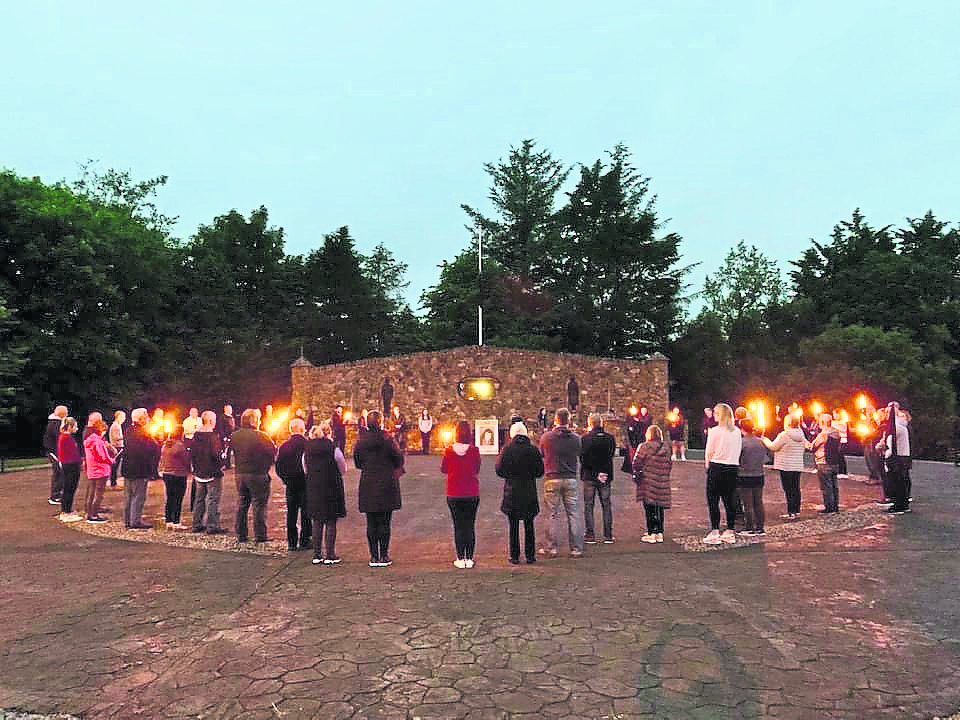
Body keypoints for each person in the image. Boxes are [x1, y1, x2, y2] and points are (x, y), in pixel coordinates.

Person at [353, 411, 404, 567]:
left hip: (368, 481)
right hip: (386, 482)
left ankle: (374, 556)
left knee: (371, 522)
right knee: (384, 521)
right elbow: (398, 459)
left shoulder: (361, 441)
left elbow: (357, 462)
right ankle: (384, 555)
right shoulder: (388, 439)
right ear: (380, 422)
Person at [538, 407, 583, 558]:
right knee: (573, 514)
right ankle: (576, 548)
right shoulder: (576, 439)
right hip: (570, 478)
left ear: (556, 420)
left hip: (552, 477)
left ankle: (551, 548)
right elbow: (579, 453)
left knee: (551, 514)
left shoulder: (546, 438)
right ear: (568, 420)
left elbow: (542, 454)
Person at [496, 422, 543, 565]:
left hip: (512, 490)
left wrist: (510, 475)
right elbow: (540, 471)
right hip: (529, 490)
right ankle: (530, 555)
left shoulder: (507, 449)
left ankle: (514, 555)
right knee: (529, 524)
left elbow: (499, 470)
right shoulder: (533, 450)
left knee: (513, 525)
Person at [304, 421, 347, 565]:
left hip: (314, 487)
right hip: (331, 486)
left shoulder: (307, 450)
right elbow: (342, 467)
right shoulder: (333, 448)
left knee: (317, 521)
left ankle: (317, 554)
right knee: (330, 521)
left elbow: (305, 468)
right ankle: (330, 554)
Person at [441, 420, 482, 569]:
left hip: (454, 492)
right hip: (471, 491)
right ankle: (469, 557)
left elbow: (444, 469)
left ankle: (460, 557)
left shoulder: (449, 451)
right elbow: (477, 468)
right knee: (469, 525)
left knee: (458, 526)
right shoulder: (474, 450)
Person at [232, 408, 276, 544]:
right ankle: (260, 535)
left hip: (240, 473)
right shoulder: (261, 436)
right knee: (259, 504)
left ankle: (241, 534)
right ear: (253, 420)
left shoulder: (235, 436)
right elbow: (272, 453)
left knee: (242, 503)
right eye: (259, 418)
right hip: (257, 473)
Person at [702, 403, 742, 545]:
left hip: (717, 467)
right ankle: (730, 530)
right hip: (732, 468)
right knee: (729, 500)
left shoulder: (714, 431)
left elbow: (709, 451)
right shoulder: (737, 431)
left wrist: (708, 466)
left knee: (713, 500)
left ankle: (715, 531)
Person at [580, 413, 616, 544]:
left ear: (590, 423)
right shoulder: (610, 438)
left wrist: (595, 473)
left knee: (589, 506)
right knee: (606, 505)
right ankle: (608, 535)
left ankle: (590, 535)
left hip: (589, 476)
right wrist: (602, 473)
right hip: (605, 476)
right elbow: (610, 456)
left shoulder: (585, 439)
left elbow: (583, 459)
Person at [276, 417, 311, 551]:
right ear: (302, 429)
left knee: (291, 513)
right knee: (306, 512)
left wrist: (285, 479)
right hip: (305, 482)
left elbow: (279, 466)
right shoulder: (308, 444)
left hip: (291, 484)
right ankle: (305, 540)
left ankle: (292, 541)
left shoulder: (284, 446)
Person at [632, 425, 672, 543]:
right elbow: (669, 464)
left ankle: (651, 533)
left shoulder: (644, 446)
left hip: (648, 480)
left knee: (649, 506)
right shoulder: (666, 447)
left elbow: (636, 463)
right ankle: (659, 532)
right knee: (660, 506)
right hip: (662, 480)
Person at [763, 414, 806, 519]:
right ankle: (796, 511)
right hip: (797, 465)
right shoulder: (801, 434)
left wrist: (764, 439)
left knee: (788, 489)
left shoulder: (784, 435)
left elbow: (773, 447)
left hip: (786, 466)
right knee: (796, 488)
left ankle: (791, 512)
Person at [123, 408, 160, 529]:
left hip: (128, 467)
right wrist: (152, 436)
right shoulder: (142, 433)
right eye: (146, 417)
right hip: (140, 468)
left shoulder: (128, 430)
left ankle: (128, 520)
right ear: (141, 419)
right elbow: (153, 448)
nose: (148, 418)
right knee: (138, 496)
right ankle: (135, 521)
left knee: (128, 496)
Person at [191, 411, 226, 535]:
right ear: (211, 421)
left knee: (199, 499)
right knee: (212, 499)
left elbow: (192, 453)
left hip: (199, 472)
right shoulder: (212, 437)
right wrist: (223, 461)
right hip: (212, 472)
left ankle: (196, 523)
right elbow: (216, 454)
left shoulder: (196, 436)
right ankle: (212, 525)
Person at [878, 403, 912, 514]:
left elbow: (890, 445)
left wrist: (884, 453)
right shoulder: (902, 425)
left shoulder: (895, 427)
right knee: (902, 481)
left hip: (896, 458)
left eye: (887, 413)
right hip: (904, 456)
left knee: (897, 482)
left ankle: (899, 505)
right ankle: (902, 504)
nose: (886, 415)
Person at [737, 419, 768, 536]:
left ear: (742, 428)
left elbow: (737, 459)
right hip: (759, 475)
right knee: (758, 502)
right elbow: (766, 458)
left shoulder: (742, 442)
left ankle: (750, 528)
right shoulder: (760, 442)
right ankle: (760, 527)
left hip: (744, 475)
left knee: (747, 504)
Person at [807, 413, 841, 514]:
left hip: (823, 462)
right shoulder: (836, 432)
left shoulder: (824, 434)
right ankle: (835, 506)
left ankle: (829, 507)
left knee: (826, 486)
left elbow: (813, 447)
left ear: (822, 422)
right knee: (834, 485)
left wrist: (805, 443)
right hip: (835, 462)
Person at [82, 415, 113, 523]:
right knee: (98, 494)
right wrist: (112, 460)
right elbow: (102, 456)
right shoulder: (98, 442)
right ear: (101, 430)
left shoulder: (89, 440)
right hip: (100, 470)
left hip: (92, 470)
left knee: (92, 492)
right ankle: (94, 515)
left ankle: (90, 512)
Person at [159, 426, 191, 530]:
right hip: (179, 474)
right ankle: (176, 521)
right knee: (178, 498)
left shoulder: (165, 445)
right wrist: (189, 469)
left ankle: (169, 521)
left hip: (167, 473)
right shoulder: (180, 446)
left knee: (170, 498)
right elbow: (186, 460)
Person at [57, 417, 83, 522]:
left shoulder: (65, 437)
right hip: (70, 465)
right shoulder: (66, 438)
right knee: (69, 488)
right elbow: (73, 453)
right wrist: (80, 462)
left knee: (69, 488)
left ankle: (67, 510)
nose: (77, 428)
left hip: (68, 464)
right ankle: (66, 512)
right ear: (70, 426)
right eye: (75, 426)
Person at [44, 405, 68, 505]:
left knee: (59, 472)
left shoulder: (54, 422)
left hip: (53, 451)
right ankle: (55, 495)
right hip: (54, 451)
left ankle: (57, 494)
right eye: (66, 412)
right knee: (59, 472)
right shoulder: (56, 423)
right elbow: (59, 437)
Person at [108, 410, 125, 487]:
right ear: (118, 417)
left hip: (118, 447)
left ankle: (114, 481)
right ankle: (113, 482)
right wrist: (124, 437)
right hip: (116, 447)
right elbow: (115, 437)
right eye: (122, 417)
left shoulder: (118, 425)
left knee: (116, 465)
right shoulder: (115, 426)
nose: (124, 419)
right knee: (115, 466)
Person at [217, 404, 236, 469]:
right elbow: (220, 428)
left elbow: (233, 427)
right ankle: (223, 465)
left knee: (229, 451)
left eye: (231, 409)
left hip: (231, 436)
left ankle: (229, 464)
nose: (230, 410)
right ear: (225, 409)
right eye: (228, 409)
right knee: (225, 451)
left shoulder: (231, 417)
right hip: (225, 437)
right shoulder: (222, 417)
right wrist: (224, 437)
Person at [832, 408, 850, 479]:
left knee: (840, 457)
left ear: (839, 414)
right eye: (833, 414)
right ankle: (839, 471)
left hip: (842, 441)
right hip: (837, 442)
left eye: (835, 414)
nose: (834, 416)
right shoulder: (835, 422)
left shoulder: (843, 422)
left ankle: (843, 472)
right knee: (837, 456)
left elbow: (839, 427)